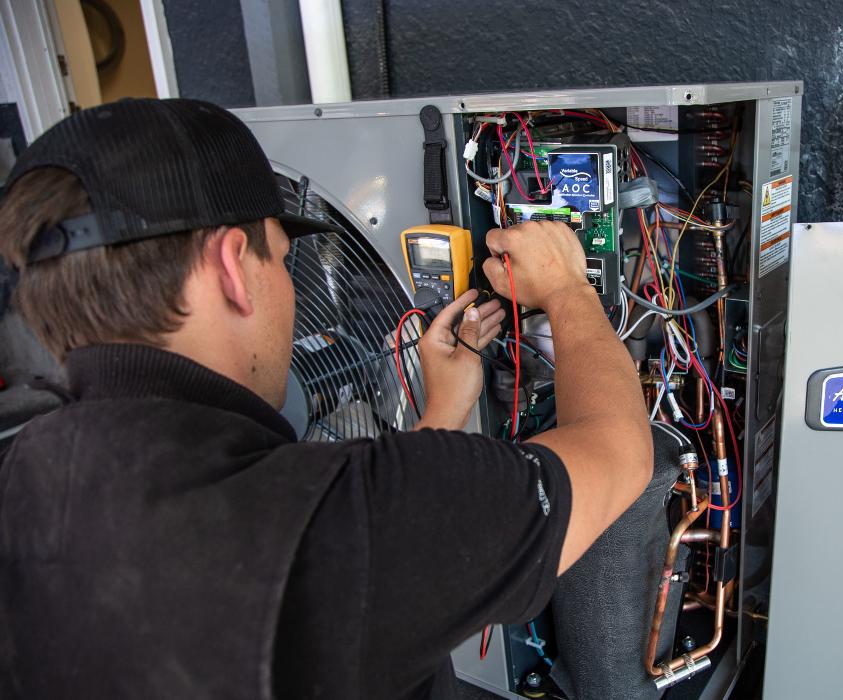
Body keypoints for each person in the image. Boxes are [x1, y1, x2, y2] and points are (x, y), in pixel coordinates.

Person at [0, 99, 652, 699]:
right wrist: (567, 288)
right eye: (283, 259)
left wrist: (441, 415)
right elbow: (620, 451)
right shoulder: (346, 521)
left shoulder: (21, 478)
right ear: (232, 267)